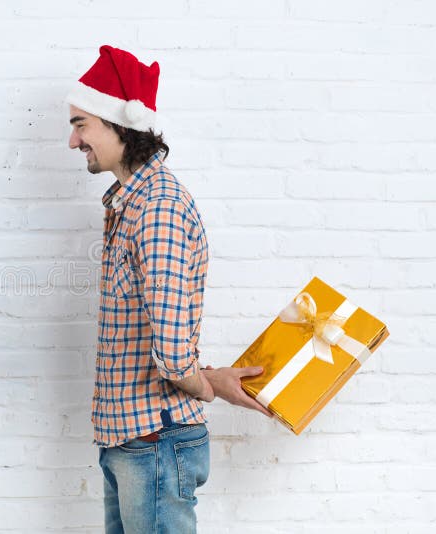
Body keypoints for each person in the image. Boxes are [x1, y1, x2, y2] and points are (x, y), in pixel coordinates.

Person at [66, 45, 271, 534]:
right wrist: (209, 379)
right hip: (133, 438)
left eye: (81, 124)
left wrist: (208, 385)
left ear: (121, 124)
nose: (73, 141)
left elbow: (173, 353)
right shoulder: (130, 205)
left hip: (153, 438)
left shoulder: (156, 209)